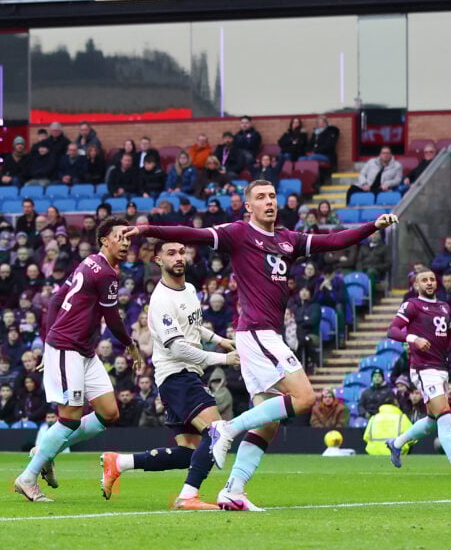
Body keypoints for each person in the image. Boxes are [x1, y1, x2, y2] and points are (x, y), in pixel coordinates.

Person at [127, 180, 398, 510]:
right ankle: (227, 428)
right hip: (257, 332)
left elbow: (333, 241)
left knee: (267, 423)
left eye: (272, 196)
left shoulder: (288, 239)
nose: (269, 201)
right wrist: (146, 229)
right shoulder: (239, 233)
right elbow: (192, 234)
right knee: (305, 398)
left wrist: (372, 226)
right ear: (248, 207)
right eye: (260, 197)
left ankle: (233, 490)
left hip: (268, 334)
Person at [14, 217, 145, 503]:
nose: (125, 242)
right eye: (119, 237)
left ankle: (48, 450)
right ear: (104, 240)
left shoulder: (88, 262)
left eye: (127, 238)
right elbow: (112, 318)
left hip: (83, 349)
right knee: (69, 419)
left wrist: (49, 339)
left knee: (109, 413)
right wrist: (130, 345)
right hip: (68, 347)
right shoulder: (107, 273)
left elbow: (55, 300)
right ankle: (27, 477)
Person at [100, 241, 239, 510]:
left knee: (189, 452)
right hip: (177, 376)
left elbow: (194, 327)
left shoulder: (189, 289)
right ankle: (188, 497)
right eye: (171, 253)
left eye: (181, 252)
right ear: (158, 260)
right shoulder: (161, 301)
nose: (178, 257)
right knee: (217, 431)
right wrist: (223, 358)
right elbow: (178, 347)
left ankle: (119, 463)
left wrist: (219, 339)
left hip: (185, 376)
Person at [385, 269, 451, 480]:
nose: (428, 283)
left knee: (431, 420)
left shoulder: (445, 307)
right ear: (416, 286)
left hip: (441, 367)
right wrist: (413, 339)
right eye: (423, 280)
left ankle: (396, 443)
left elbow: (450, 338)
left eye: (431, 280)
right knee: (445, 414)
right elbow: (392, 330)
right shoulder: (412, 305)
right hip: (423, 368)